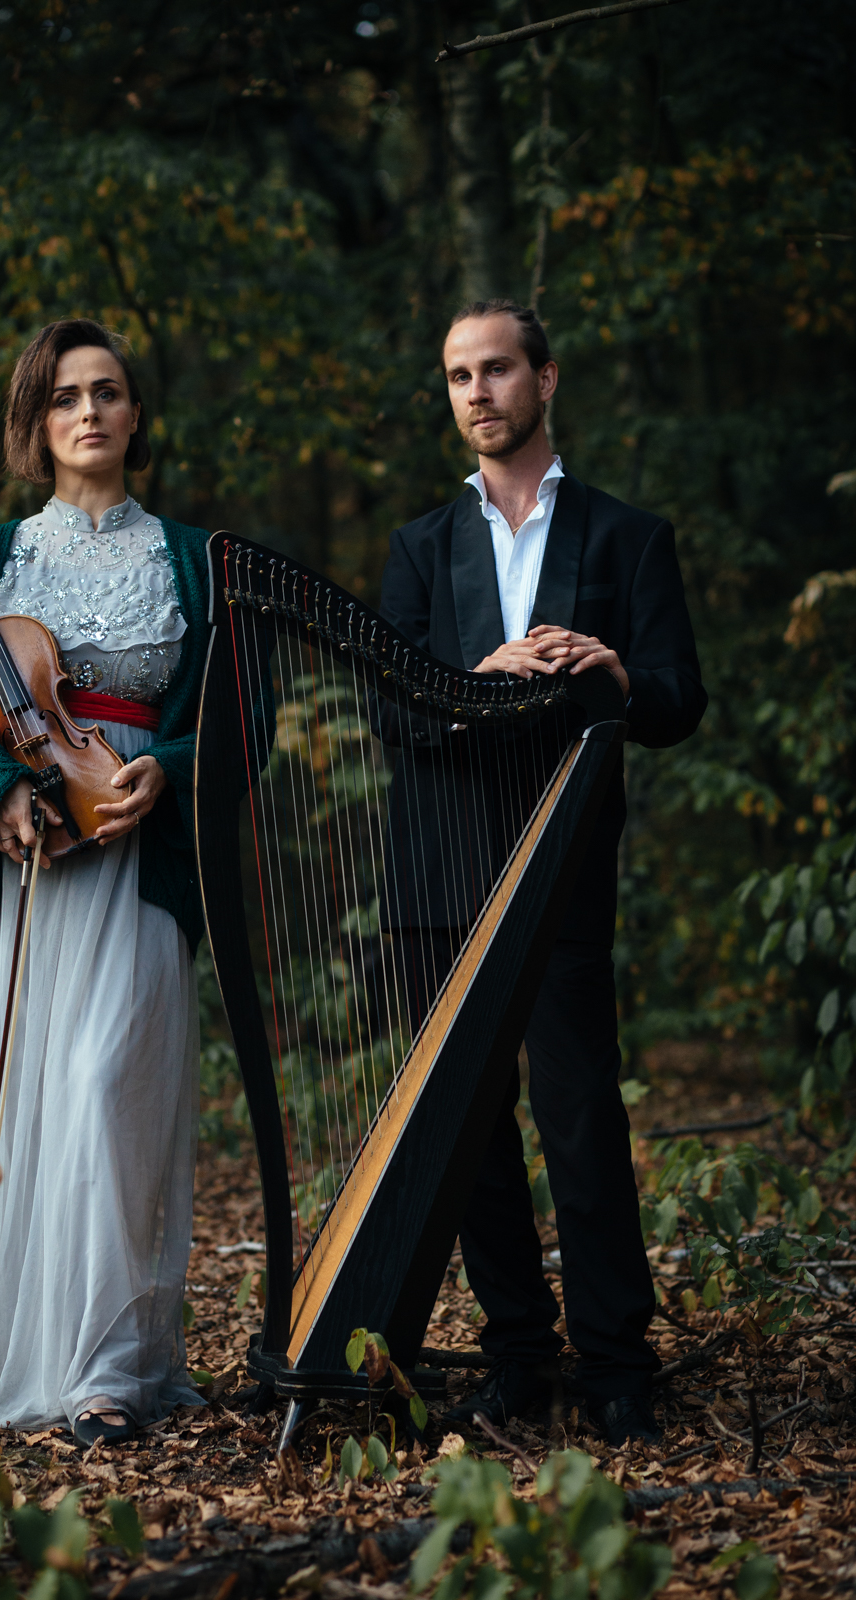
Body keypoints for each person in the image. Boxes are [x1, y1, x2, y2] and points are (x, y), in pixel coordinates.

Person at [0, 318, 212, 1445]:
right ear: (37, 420)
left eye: (107, 391)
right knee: (6, 1107)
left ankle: (103, 1367)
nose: (89, 412)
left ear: (134, 412)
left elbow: (237, 717)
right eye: (65, 396)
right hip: (13, 867)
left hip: (133, 860)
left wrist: (173, 766)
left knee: (105, 1089)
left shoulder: (190, 558)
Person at [377, 299, 707, 1446]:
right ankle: (518, 1351)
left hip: (561, 862)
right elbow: (397, 715)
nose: (478, 391)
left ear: (546, 379)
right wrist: (478, 677)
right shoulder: (421, 546)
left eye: (498, 369)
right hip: (445, 866)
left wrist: (615, 670)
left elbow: (679, 701)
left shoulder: (628, 537)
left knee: (581, 1117)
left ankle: (616, 1359)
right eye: (458, 374)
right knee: (471, 1133)